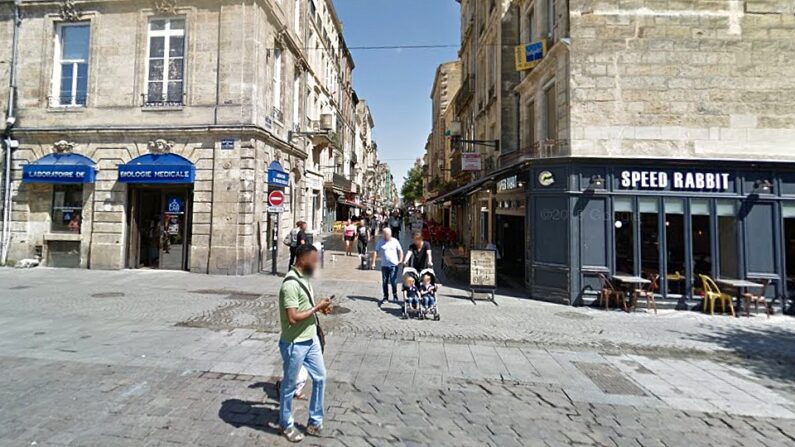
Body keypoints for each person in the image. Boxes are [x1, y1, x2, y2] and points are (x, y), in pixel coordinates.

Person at [277, 244, 332, 443]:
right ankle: (286, 424)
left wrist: (320, 308)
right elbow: (292, 317)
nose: (316, 264)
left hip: (311, 340)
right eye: (313, 260)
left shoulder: (305, 278)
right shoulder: (289, 285)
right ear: (302, 260)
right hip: (295, 343)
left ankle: (315, 421)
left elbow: (306, 306)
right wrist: (317, 308)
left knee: (320, 377)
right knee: (289, 386)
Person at [371, 228, 403, 305]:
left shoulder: (395, 241)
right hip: (384, 265)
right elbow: (376, 251)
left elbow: (400, 250)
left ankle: (395, 295)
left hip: (393, 265)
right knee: (385, 282)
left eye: (387, 234)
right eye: (384, 234)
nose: (386, 236)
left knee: (393, 281)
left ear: (390, 234)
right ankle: (385, 297)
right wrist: (373, 262)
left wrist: (401, 260)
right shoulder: (380, 242)